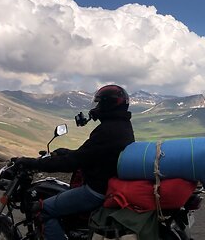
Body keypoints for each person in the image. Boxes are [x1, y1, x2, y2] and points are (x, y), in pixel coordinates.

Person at [14, 84, 135, 240]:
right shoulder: (121, 125)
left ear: (108, 104)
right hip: (108, 186)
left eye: (99, 103)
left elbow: (72, 163)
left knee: (43, 210)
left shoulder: (107, 130)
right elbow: (91, 154)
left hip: (96, 190)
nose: (96, 107)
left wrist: (31, 163)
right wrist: (66, 152)